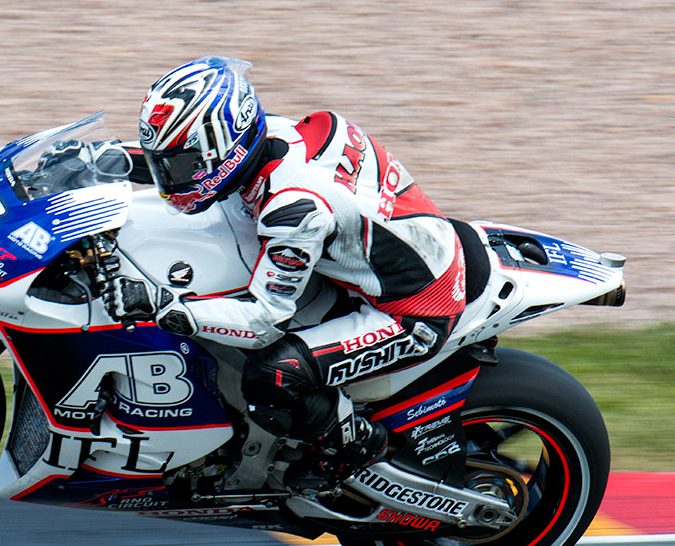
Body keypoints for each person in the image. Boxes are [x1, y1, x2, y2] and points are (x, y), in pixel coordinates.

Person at [105, 56, 470, 484]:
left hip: (415, 311)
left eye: (181, 165)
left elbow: (263, 321)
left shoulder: (293, 209)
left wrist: (165, 308)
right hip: (385, 255)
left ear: (223, 147)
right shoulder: (271, 135)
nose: (170, 178)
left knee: (275, 375)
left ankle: (355, 451)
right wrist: (103, 160)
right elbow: (196, 166)